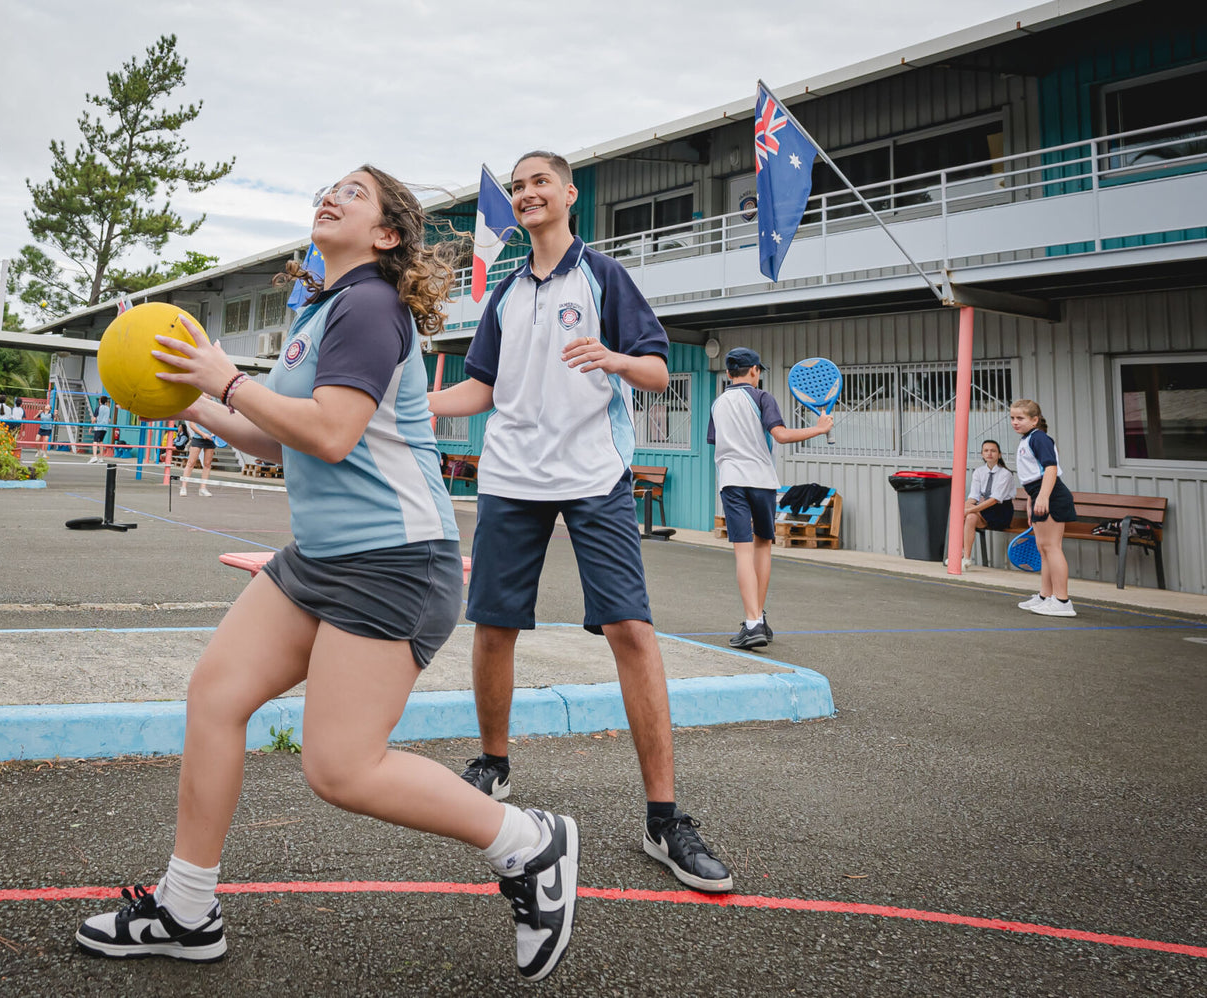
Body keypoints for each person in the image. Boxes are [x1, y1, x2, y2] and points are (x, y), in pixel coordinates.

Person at [75, 166, 579, 983]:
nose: (332, 196)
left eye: (355, 192)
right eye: (330, 187)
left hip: (392, 563)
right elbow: (282, 438)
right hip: (321, 558)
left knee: (341, 768)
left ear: (386, 235)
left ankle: (529, 843)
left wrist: (226, 378)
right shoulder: (321, 312)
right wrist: (197, 402)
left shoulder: (374, 305)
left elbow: (335, 432)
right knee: (217, 694)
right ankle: (186, 907)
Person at [427, 150, 730, 894]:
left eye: (540, 183)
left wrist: (617, 358)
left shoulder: (605, 277)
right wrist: (409, 408)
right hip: (510, 478)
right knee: (494, 625)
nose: (528, 193)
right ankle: (493, 765)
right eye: (519, 185)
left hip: (594, 477)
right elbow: (479, 389)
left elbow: (659, 370)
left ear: (568, 195)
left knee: (632, 631)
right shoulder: (503, 292)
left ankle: (665, 819)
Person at [706, 347, 832, 650]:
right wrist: (818, 429)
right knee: (763, 545)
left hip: (732, 481)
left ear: (727, 373)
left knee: (742, 552)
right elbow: (781, 435)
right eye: (759, 370)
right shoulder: (763, 398)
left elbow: (716, 441)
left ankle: (753, 622)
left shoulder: (718, 403)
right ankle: (756, 619)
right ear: (754, 371)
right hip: (762, 481)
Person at [1011, 399, 1077, 617]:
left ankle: (1062, 600)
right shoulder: (1028, 439)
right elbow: (1033, 476)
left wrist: (1043, 497)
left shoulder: (1039, 438)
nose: (1015, 422)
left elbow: (1050, 469)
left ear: (1034, 420)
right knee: (1044, 549)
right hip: (1039, 494)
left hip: (1052, 496)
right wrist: (1032, 501)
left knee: (1052, 547)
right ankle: (1045, 596)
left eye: (1020, 418)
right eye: (1012, 418)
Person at [960, 439, 1016, 569]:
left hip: (1001, 511)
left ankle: (959, 551)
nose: (989, 453)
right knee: (969, 517)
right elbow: (973, 497)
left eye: (993, 451)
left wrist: (969, 510)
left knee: (969, 513)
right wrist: (964, 508)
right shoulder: (979, 472)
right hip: (984, 509)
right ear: (982, 454)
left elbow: (995, 499)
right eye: (986, 451)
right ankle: (966, 558)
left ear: (999, 454)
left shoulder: (1005, 474)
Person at [179, 419, 224, 497]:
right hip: (198, 438)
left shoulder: (214, 412)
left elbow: (218, 424)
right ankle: (183, 487)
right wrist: (202, 434)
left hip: (211, 439)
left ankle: (203, 489)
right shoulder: (199, 410)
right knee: (191, 463)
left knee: (207, 464)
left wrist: (214, 433)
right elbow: (191, 424)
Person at [88, 396, 112, 463]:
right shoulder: (108, 409)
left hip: (98, 427)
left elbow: (94, 419)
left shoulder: (98, 408)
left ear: (100, 401)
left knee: (95, 441)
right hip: (105, 428)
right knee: (101, 441)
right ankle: (101, 458)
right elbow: (109, 420)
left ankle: (95, 456)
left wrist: (90, 427)